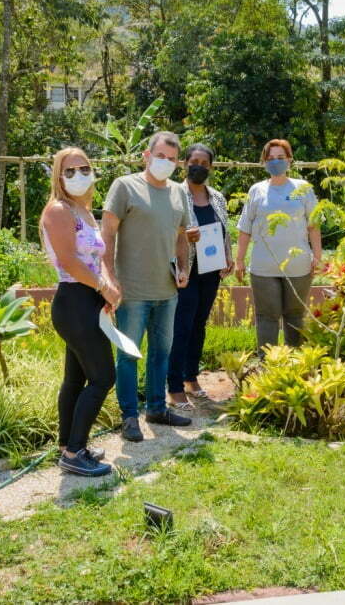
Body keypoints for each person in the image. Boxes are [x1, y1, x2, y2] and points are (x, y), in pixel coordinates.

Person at [101, 131, 193, 444]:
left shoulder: (179, 192)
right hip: (132, 292)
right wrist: (110, 277)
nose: (164, 162)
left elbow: (182, 235)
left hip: (166, 290)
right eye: (160, 155)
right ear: (146, 155)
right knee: (128, 355)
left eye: (171, 158)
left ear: (178, 162)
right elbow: (108, 234)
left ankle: (156, 408)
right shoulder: (125, 186)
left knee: (161, 353)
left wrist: (184, 268)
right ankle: (129, 417)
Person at [40, 147, 120, 476]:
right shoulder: (58, 210)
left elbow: (98, 257)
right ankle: (74, 454)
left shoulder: (83, 210)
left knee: (75, 378)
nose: (77, 175)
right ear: (58, 176)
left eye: (83, 168)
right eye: (68, 171)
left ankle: (69, 444)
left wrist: (109, 286)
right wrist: (103, 287)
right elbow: (70, 261)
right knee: (103, 377)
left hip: (88, 300)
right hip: (74, 300)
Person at [235, 138, 322, 354]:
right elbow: (245, 228)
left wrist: (318, 257)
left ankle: (295, 364)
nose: (275, 162)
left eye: (280, 158)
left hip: (298, 266)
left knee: (295, 316)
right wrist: (239, 261)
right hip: (264, 268)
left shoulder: (303, 189)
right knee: (267, 317)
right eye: (270, 158)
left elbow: (314, 226)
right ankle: (268, 366)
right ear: (264, 162)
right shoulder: (256, 190)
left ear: (289, 160)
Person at [166, 144, 233, 410]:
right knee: (181, 326)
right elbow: (165, 230)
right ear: (184, 163)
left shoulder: (217, 197)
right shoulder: (173, 193)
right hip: (184, 270)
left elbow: (224, 230)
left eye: (204, 163)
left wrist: (228, 256)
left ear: (211, 167)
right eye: (194, 161)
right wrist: (184, 236)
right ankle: (173, 386)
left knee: (199, 325)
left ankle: (191, 378)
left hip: (210, 270)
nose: (199, 166)